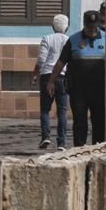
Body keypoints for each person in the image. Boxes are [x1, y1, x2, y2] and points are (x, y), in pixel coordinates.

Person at [51, 10, 106, 145]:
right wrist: (51, 80)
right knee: (80, 121)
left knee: (99, 121)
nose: (91, 30)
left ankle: (98, 149)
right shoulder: (73, 39)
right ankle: (79, 149)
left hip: (100, 89)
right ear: (84, 24)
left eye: (94, 27)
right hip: (79, 90)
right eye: (89, 27)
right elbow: (61, 62)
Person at [34, 13, 70, 150]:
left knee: (45, 110)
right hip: (63, 76)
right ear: (67, 27)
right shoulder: (69, 40)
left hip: (47, 76)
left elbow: (41, 59)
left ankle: (45, 137)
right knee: (62, 111)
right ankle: (61, 143)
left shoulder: (47, 39)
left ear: (52, 27)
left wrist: (35, 73)